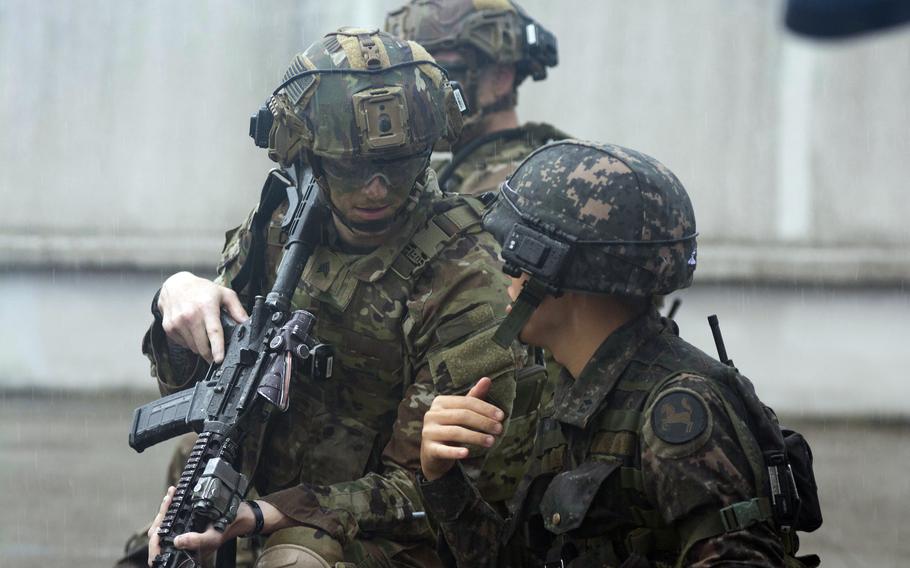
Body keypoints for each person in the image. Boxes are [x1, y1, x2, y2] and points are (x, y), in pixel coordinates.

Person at [135, 28, 531, 568]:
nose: (374, 189)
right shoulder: (279, 224)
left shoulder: (466, 275)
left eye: (396, 166)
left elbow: (430, 489)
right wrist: (175, 307)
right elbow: (196, 385)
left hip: (387, 535)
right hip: (256, 501)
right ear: (309, 152)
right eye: (349, 166)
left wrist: (269, 514)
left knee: (297, 560)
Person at [417, 140, 818, 566]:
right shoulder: (578, 393)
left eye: (517, 259)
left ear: (561, 272)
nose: (508, 277)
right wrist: (441, 477)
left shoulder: (676, 413)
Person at [385, 0, 570, 196]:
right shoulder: (444, 173)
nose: (423, 90)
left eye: (444, 72)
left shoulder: (528, 184)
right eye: (417, 75)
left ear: (501, 78)